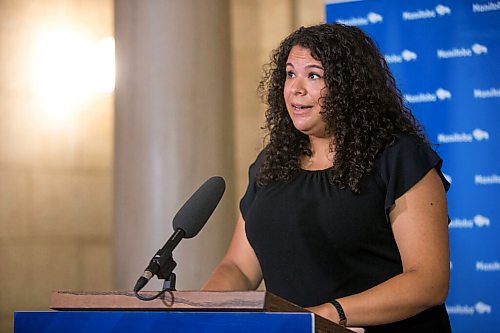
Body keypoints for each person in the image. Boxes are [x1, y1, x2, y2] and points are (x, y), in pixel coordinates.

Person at [203, 23, 451, 332]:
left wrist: (326, 315)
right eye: (290, 74)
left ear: (349, 87)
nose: (296, 88)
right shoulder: (271, 163)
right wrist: (202, 311)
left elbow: (428, 281)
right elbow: (238, 267)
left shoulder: (398, 157)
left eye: (314, 75)